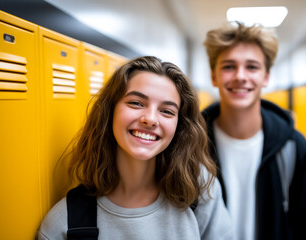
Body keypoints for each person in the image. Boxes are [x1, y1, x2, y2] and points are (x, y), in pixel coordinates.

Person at [37, 56, 233, 240]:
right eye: (136, 103)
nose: (150, 119)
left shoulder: (199, 192)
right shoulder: (64, 224)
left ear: (179, 127)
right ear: (110, 111)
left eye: (166, 111)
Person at [202, 22, 306, 240]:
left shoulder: (293, 148)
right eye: (229, 66)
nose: (240, 76)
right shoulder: (192, 147)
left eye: (252, 67)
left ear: (266, 77)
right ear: (214, 76)